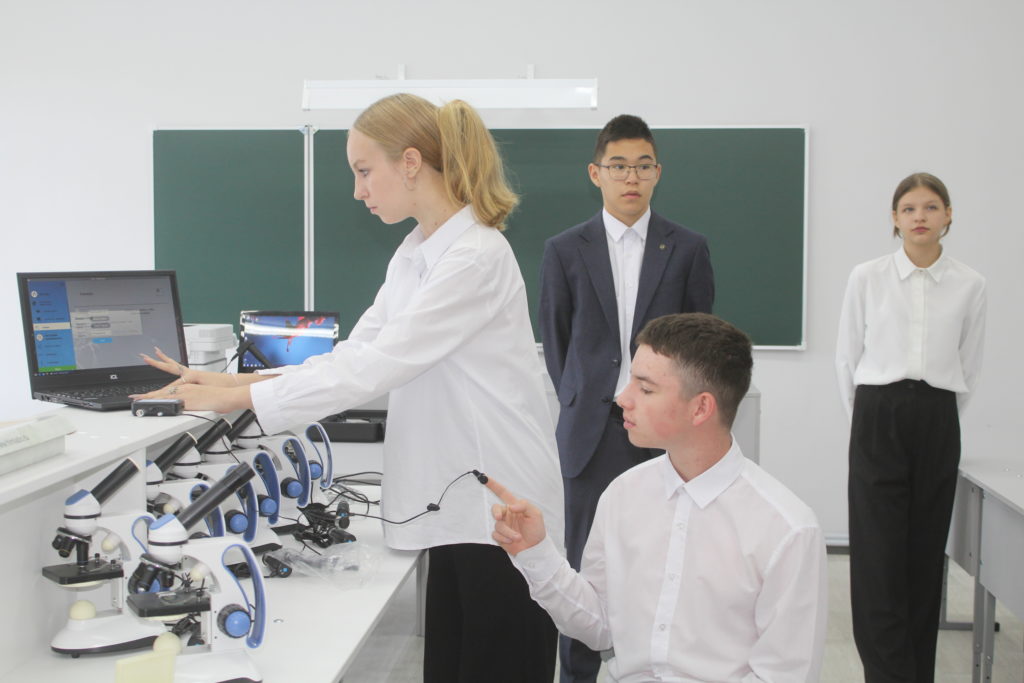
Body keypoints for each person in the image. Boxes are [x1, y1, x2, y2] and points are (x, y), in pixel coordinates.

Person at [137, 93, 564, 683]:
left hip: (500, 507)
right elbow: (354, 354)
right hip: (459, 503)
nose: (359, 191)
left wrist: (239, 397)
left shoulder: (474, 257)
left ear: (410, 163)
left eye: (364, 171)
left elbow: (378, 366)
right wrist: (230, 379)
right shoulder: (415, 253)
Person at [489, 313, 827, 682]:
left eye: (646, 389)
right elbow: (599, 626)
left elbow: (784, 675)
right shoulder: (622, 495)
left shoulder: (787, 529)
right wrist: (536, 553)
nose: (622, 399)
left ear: (701, 408)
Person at [538, 114, 714, 682]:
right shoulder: (564, 249)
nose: (630, 177)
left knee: (664, 568)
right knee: (582, 572)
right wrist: (591, 396)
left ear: (658, 172)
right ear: (596, 173)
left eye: (642, 166)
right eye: (618, 166)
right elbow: (557, 343)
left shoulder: (687, 248)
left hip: (664, 436)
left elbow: (700, 346)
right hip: (590, 435)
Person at [836, 172, 986, 682]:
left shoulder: (970, 284)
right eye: (908, 209)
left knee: (924, 553)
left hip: (937, 417)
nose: (920, 217)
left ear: (948, 216)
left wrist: (940, 421)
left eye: (931, 207)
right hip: (878, 414)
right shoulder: (868, 277)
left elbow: (969, 364)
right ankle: (886, 674)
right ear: (894, 219)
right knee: (877, 556)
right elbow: (846, 358)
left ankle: (918, 673)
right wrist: (866, 426)